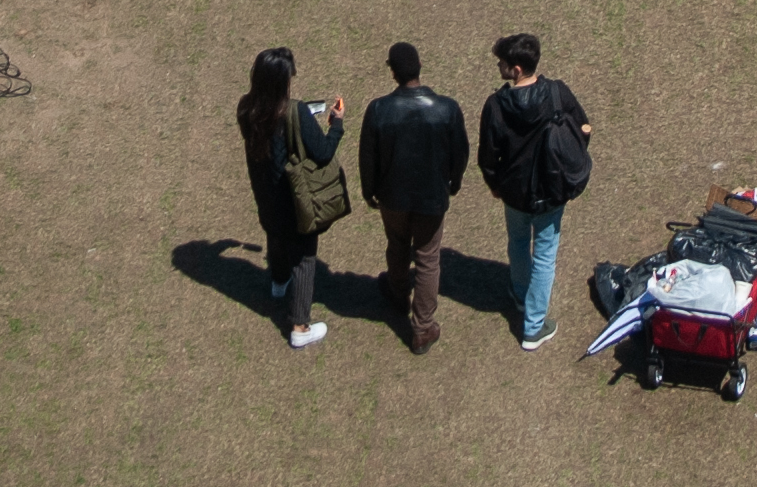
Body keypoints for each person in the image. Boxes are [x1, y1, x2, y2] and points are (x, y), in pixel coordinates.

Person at [478, 35, 592, 349]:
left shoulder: (496, 105)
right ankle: (533, 326)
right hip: (552, 191)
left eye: (501, 63)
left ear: (515, 69)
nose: (498, 66)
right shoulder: (557, 93)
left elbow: (487, 157)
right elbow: (584, 129)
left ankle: (520, 295)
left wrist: (495, 186)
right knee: (544, 256)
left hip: (513, 194)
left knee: (517, 241)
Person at [358, 42, 470, 355]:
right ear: (419, 67)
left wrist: (369, 191)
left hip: (392, 197)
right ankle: (422, 328)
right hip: (432, 198)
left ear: (392, 72)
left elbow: (368, 157)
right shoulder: (447, 108)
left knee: (397, 245)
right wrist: (454, 182)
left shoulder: (379, 109)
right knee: (427, 257)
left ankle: (397, 294)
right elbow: (460, 151)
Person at [238, 47, 348, 349]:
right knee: (305, 258)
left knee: (275, 236)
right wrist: (336, 124)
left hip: (266, 195)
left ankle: (277, 282)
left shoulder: (246, 108)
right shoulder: (295, 111)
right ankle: (300, 326)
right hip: (296, 200)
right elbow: (323, 153)